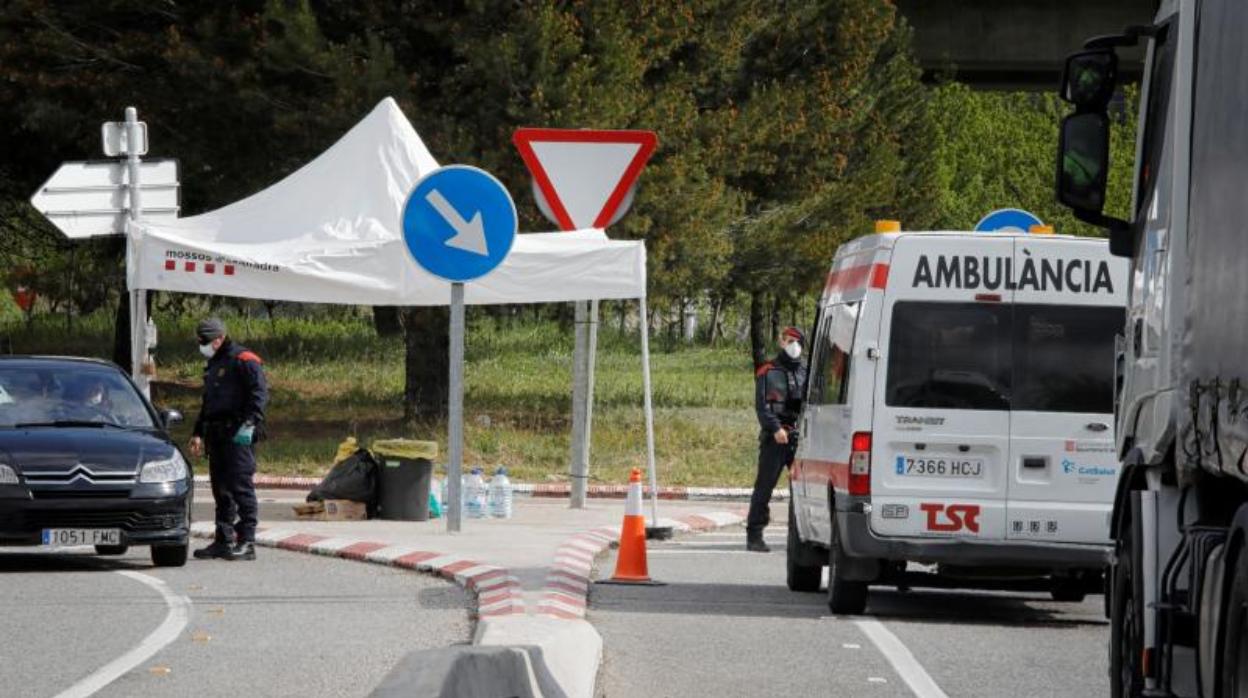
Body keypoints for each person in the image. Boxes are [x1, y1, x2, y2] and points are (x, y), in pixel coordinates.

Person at [189, 318, 268, 561]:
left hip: (238, 434)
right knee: (221, 491)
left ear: (219, 339)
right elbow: (208, 403)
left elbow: (260, 394)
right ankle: (224, 539)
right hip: (217, 434)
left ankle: (247, 541)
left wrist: (250, 424)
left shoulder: (244, 359)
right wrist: (198, 432)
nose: (202, 346)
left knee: (241, 488)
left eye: (205, 341)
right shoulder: (214, 363)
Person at [747, 326, 807, 552]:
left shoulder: (806, 371)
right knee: (764, 486)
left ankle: (801, 536)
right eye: (787, 340)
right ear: (781, 342)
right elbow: (762, 406)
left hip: (799, 437)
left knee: (802, 489)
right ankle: (754, 535)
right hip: (775, 437)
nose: (792, 345)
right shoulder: (768, 371)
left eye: (796, 341)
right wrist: (774, 428)